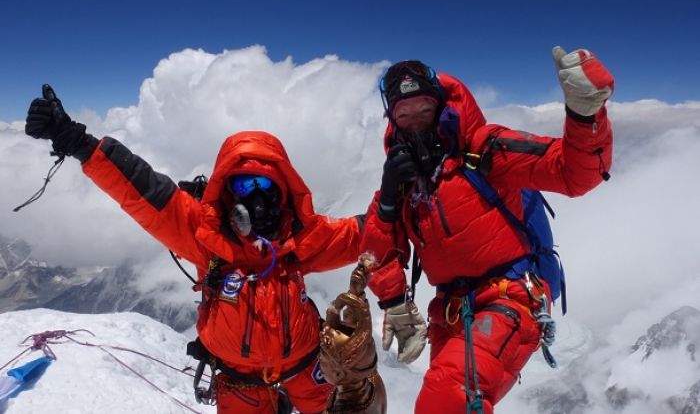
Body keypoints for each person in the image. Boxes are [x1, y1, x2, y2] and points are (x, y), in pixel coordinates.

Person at [23, 86, 366, 414]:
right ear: (228, 191)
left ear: (283, 189)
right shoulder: (206, 235)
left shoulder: (301, 237)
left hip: (309, 367)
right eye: (245, 184)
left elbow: (362, 234)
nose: (256, 196)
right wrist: (79, 142)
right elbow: (144, 190)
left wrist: (402, 206)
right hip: (239, 380)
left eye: (265, 184)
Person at [362, 46, 614, 414]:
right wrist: (395, 301)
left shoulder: (485, 148)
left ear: (440, 108)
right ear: (392, 120)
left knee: (446, 396)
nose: (415, 121)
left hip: (509, 296)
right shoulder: (401, 182)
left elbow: (573, 173)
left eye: (424, 110)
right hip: (447, 312)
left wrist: (584, 114)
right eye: (404, 113)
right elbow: (375, 253)